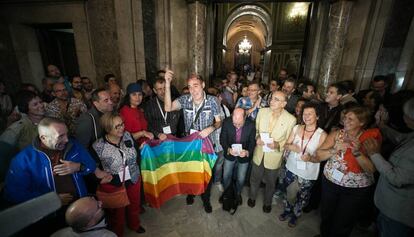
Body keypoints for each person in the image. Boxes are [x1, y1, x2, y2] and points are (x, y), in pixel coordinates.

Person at [308, 106, 382, 237]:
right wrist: (334, 150)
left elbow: (371, 169)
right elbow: (318, 155)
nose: (345, 120)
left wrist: (357, 153)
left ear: (362, 122)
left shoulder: (370, 138)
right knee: (326, 214)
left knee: (344, 220)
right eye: (345, 117)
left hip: (355, 190)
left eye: (350, 119)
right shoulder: (337, 134)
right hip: (330, 183)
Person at [164, 70, 222, 213]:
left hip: (207, 143)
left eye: (195, 85)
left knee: (206, 173)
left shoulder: (213, 101)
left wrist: (211, 128)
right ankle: (191, 193)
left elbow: (219, 122)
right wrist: (167, 83)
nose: (192, 90)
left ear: (202, 85)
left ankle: (206, 198)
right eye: (189, 86)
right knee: (190, 170)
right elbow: (168, 107)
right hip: (190, 143)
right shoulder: (185, 99)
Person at [363, 98, 414, 237]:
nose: (404, 118)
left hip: (398, 212)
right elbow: (400, 138)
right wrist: (382, 125)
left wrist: (374, 154)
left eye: (406, 115)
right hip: (386, 203)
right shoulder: (411, 135)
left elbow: (397, 178)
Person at [92, 113, 145, 236]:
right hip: (114, 183)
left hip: (133, 177)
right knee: (117, 212)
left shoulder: (127, 135)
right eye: (117, 126)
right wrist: (102, 179)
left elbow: (136, 152)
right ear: (107, 128)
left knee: (134, 203)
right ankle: (117, 233)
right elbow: (93, 168)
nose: (122, 128)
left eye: (122, 124)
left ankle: (134, 224)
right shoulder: (98, 146)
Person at [278, 102, 327, 227]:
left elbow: (321, 157)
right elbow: (286, 145)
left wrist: (311, 157)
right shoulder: (296, 128)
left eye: (310, 114)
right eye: (305, 113)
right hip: (291, 167)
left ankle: (295, 215)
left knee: (303, 196)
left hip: (307, 172)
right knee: (288, 191)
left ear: (317, 116)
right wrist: (292, 147)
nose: (306, 116)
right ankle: (287, 210)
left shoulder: (322, 135)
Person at [248, 91, 296, 213]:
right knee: (254, 178)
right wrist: (257, 137)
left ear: (284, 104)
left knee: (270, 182)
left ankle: (267, 203)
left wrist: (278, 144)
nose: (272, 101)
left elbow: (288, 139)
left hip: (274, 156)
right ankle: (252, 197)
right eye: (271, 98)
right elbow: (256, 130)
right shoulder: (262, 112)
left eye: (276, 99)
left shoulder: (291, 119)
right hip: (259, 153)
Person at [220, 108, 256, 203]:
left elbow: (252, 142)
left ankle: (238, 193)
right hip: (230, 154)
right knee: (226, 176)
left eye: (239, 124)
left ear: (245, 118)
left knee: (241, 178)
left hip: (243, 156)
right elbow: (222, 139)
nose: (237, 126)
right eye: (234, 124)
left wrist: (247, 152)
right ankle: (226, 193)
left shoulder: (251, 125)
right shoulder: (227, 122)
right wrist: (228, 149)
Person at [51, 196, 116, 237]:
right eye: (98, 206)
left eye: (93, 198)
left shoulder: (57, 233)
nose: (100, 202)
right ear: (91, 222)